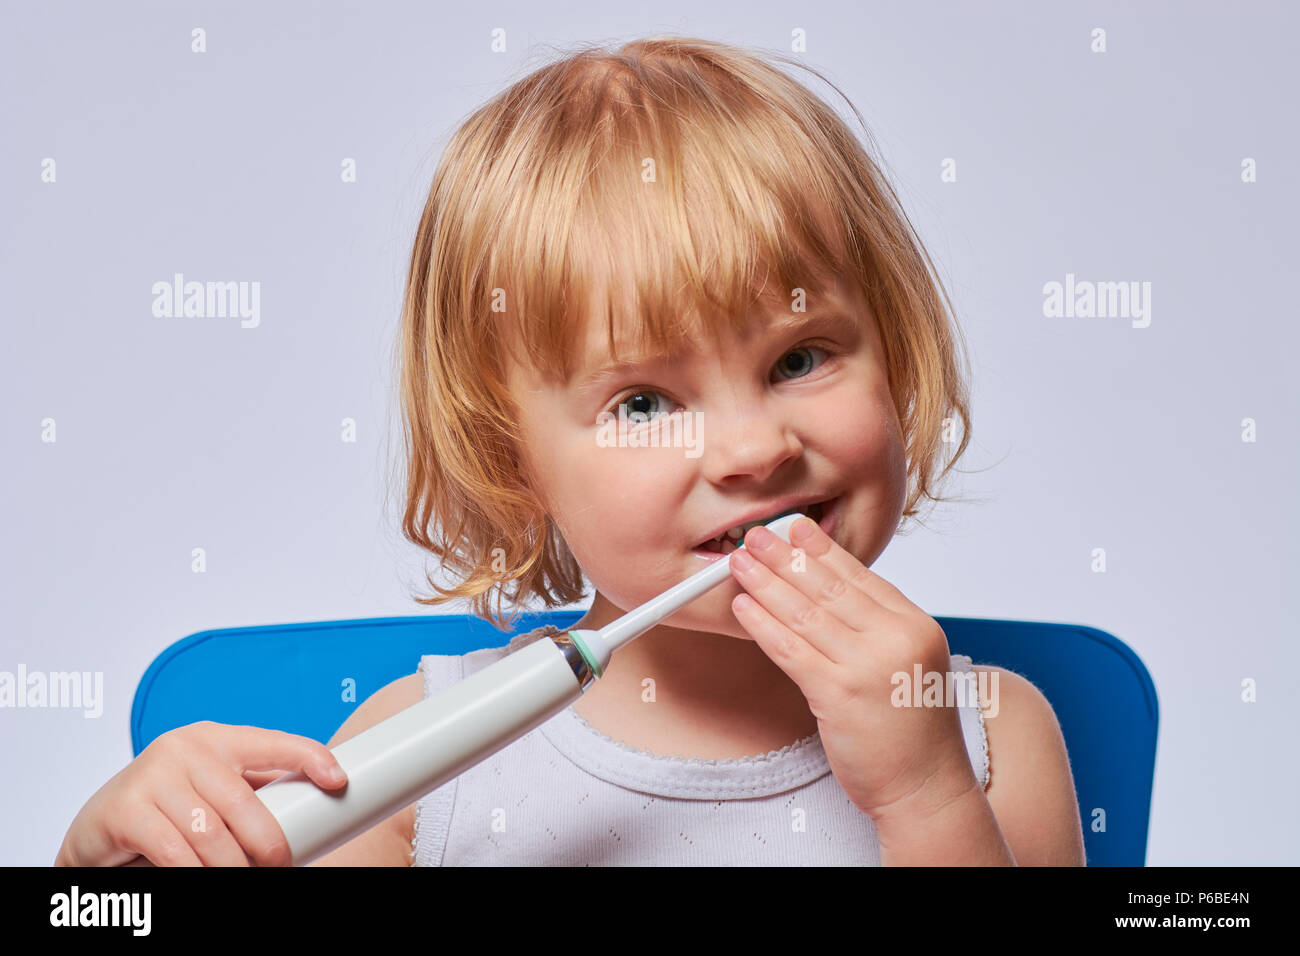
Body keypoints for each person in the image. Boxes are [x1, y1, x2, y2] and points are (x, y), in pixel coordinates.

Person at [55, 36, 1085, 867]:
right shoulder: (419, 763)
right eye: (642, 401)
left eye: (800, 357)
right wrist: (96, 883)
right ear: (513, 462)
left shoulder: (984, 731)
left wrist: (921, 794)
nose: (752, 447)